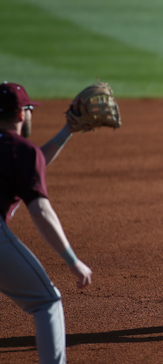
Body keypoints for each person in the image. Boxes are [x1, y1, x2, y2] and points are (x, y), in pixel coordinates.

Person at [0, 82, 93, 363]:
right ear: (20, 115)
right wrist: (72, 261)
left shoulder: (17, 153)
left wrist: (67, 131)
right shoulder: (19, 151)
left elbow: (27, 165)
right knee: (46, 301)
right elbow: (40, 211)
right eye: (29, 109)